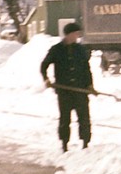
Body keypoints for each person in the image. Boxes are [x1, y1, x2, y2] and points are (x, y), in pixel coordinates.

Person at [40, 21, 95, 152]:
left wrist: (90, 85)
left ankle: (85, 143)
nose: (78, 36)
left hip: (80, 90)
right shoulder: (56, 50)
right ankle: (64, 144)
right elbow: (44, 65)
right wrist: (46, 79)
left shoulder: (80, 50)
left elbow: (87, 69)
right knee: (65, 119)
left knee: (84, 118)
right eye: (76, 34)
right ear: (69, 34)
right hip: (64, 91)